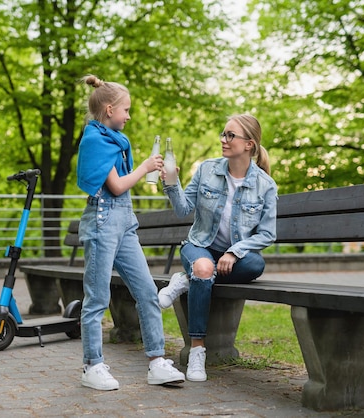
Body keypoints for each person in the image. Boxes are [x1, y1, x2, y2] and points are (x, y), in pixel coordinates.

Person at [76, 74, 186, 391]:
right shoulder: (95, 141)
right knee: (97, 298)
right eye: (126, 110)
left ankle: (156, 362)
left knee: (147, 292)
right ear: (109, 109)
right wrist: (146, 168)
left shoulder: (113, 139)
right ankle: (92, 365)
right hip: (102, 221)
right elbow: (116, 185)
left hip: (125, 222)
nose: (129, 115)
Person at [158, 113, 278, 382]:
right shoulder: (206, 170)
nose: (224, 140)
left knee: (256, 264)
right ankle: (198, 350)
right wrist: (171, 184)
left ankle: (186, 280)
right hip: (199, 246)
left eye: (230, 135)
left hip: (233, 256)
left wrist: (235, 251)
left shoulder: (265, 185)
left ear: (249, 144)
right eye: (223, 134)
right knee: (203, 267)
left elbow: (268, 234)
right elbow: (183, 210)